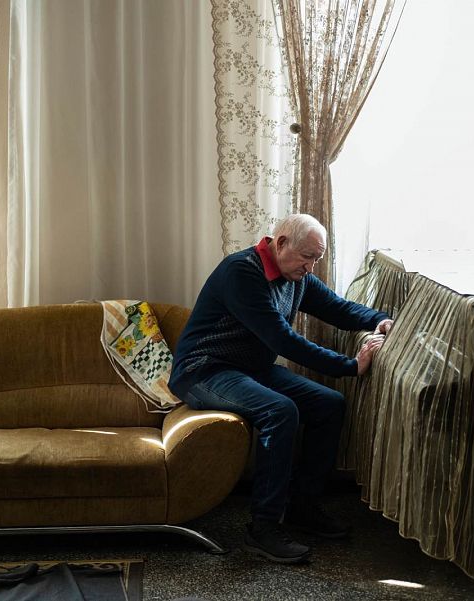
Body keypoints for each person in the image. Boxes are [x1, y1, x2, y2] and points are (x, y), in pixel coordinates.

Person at [168, 214, 393, 564]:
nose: (311, 266)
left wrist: (378, 318)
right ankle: (263, 528)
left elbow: (336, 307)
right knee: (280, 410)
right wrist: (349, 365)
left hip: (250, 369)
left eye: (316, 258)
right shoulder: (242, 272)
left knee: (329, 404)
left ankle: (302, 508)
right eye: (307, 256)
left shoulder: (296, 276)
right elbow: (282, 339)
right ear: (281, 241)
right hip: (204, 370)